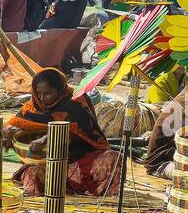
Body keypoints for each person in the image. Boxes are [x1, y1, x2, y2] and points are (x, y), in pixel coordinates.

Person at [6, 68, 120, 196]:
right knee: (33, 173)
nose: (42, 98)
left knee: (112, 157)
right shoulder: (32, 107)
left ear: (60, 90)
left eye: (48, 93)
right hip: (49, 167)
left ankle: (100, 197)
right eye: (38, 93)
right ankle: (48, 199)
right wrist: (10, 131)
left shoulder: (76, 103)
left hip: (79, 164)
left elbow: (80, 131)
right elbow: (13, 124)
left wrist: (48, 138)